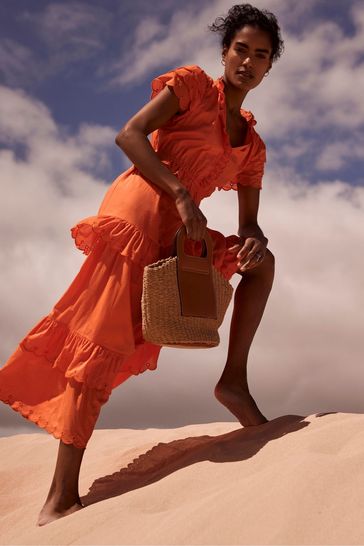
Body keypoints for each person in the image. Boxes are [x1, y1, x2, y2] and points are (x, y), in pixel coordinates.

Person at [0, 2, 284, 527]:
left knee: (262, 265)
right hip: (138, 215)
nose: (248, 61)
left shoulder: (253, 146)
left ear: (270, 67)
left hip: (181, 232)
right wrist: (178, 192)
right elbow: (129, 134)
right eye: (241, 49)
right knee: (102, 343)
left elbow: (250, 223)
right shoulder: (193, 86)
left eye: (260, 55)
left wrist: (252, 239)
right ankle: (60, 496)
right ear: (225, 53)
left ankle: (234, 383)